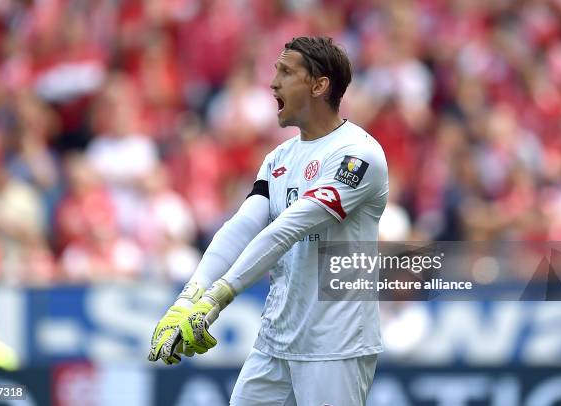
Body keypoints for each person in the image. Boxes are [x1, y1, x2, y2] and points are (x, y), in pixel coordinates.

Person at [149, 36, 388, 405]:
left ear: (319, 85)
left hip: (335, 344)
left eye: (286, 72)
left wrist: (217, 298)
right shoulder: (278, 158)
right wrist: (189, 296)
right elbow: (242, 226)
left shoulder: (358, 156)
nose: (273, 82)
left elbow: (287, 229)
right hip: (276, 341)